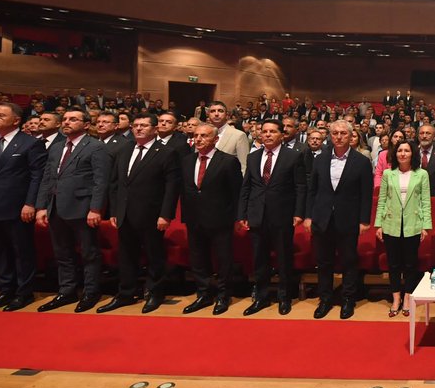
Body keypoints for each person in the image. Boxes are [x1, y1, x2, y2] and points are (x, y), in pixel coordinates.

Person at [98, 114, 181, 314]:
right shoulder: (123, 149)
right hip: (125, 213)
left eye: (144, 126)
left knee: (154, 255)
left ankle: (154, 293)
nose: (139, 129)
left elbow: (171, 187)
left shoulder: (166, 152)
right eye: (136, 125)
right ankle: (126, 293)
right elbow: (115, 183)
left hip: (152, 214)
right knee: (126, 255)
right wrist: (115, 210)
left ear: (155, 129)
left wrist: (165, 214)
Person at [0, 103, 48, 311]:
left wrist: (31, 203)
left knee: (22, 252)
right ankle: (6, 290)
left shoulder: (30, 144)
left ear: (16, 120)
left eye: (0, 115)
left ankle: (24, 292)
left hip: (17, 207)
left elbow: (37, 177)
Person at [34, 109, 110, 313]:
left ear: (86, 125)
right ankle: (67, 291)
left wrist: (96, 208)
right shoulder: (57, 147)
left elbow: (100, 181)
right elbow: (48, 178)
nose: (67, 122)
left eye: (73, 119)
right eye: (65, 119)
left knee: (89, 254)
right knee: (62, 254)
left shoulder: (96, 147)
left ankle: (91, 292)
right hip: (56, 207)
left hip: (83, 208)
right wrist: (41, 206)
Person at [305, 119, 373, 319]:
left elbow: (366, 194)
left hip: (349, 219)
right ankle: (325, 299)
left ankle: (348, 299)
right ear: (330, 135)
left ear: (351, 136)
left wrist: (364, 220)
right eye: (335, 133)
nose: (339, 137)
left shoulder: (361, 161)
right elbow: (312, 191)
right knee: (323, 261)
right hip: (322, 218)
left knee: (349, 261)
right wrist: (308, 216)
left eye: (344, 133)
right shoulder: (320, 159)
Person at [240, 120, 307, 316]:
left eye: (272, 131)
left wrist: (298, 212)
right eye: (264, 131)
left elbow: (300, 187)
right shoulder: (253, 157)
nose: (267, 135)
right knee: (259, 259)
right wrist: (242, 214)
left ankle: (284, 297)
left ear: (281, 134)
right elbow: (246, 187)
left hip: (283, 215)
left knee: (284, 259)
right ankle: (261, 297)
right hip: (256, 215)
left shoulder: (293, 156)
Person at [179, 124, 243, 315]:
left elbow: (236, 193)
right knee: (198, 259)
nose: (198, 139)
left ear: (215, 139)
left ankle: (223, 295)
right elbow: (185, 190)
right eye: (196, 136)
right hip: (194, 218)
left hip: (220, 219)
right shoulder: (187, 160)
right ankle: (204, 294)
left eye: (204, 136)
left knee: (223, 260)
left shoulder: (228, 161)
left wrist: (236, 218)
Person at [374, 141, 431, 317]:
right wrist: (379, 224)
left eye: (406, 150)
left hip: (413, 224)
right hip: (391, 224)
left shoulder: (421, 174)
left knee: (410, 264)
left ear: (412, 154)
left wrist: (425, 225)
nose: (403, 154)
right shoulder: (387, 174)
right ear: (395, 153)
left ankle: (407, 297)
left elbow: (425, 201)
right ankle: (396, 298)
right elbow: (382, 200)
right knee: (393, 264)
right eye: (400, 150)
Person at [207, 100, 249, 174]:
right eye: (213, 111)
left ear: (227, 115)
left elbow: (244, 166)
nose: (216, 114)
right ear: (208, 115)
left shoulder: (239, 135)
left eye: (220, 111)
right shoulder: (202, 134)